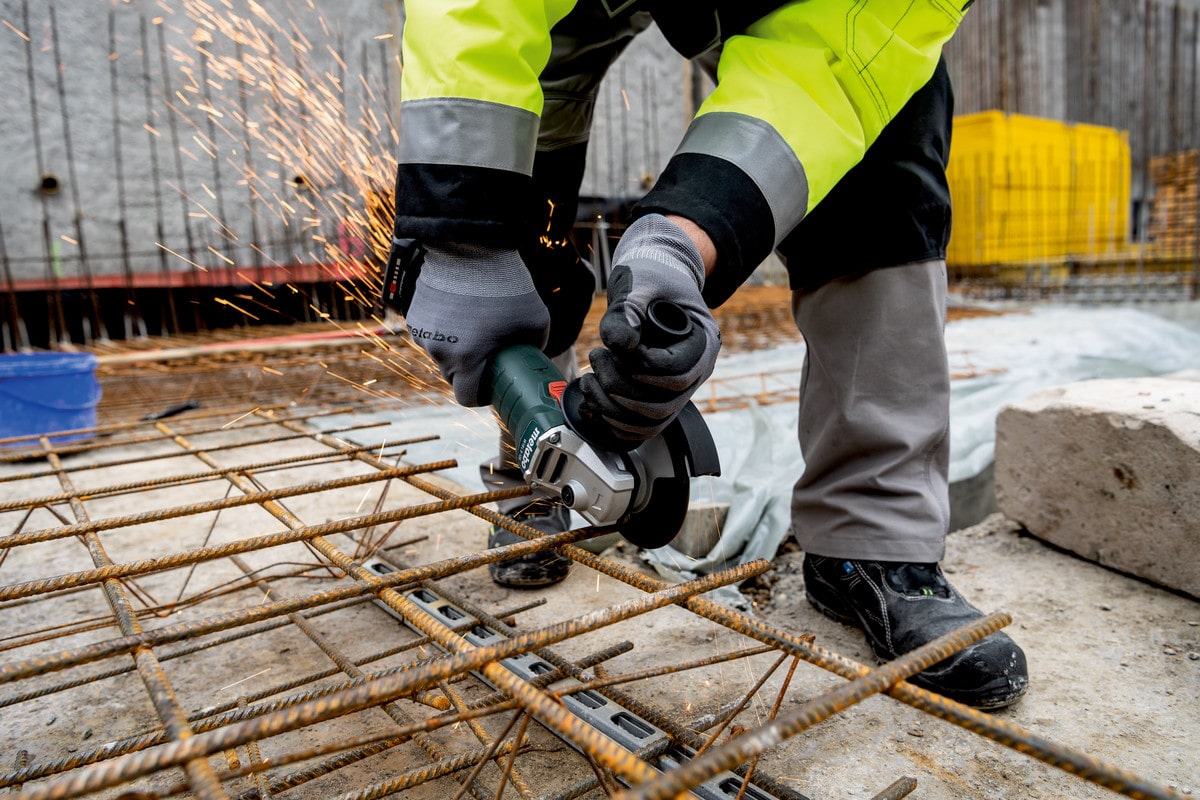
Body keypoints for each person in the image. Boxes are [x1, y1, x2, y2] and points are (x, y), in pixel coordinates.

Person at [387, 0, 1030, 710]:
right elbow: (472, 18)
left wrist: (685, 241)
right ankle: (533, 470)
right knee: (514, 161)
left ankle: (872, 533)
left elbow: (843, 58)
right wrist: (463, 235)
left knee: (884, 128)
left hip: (815, 14)